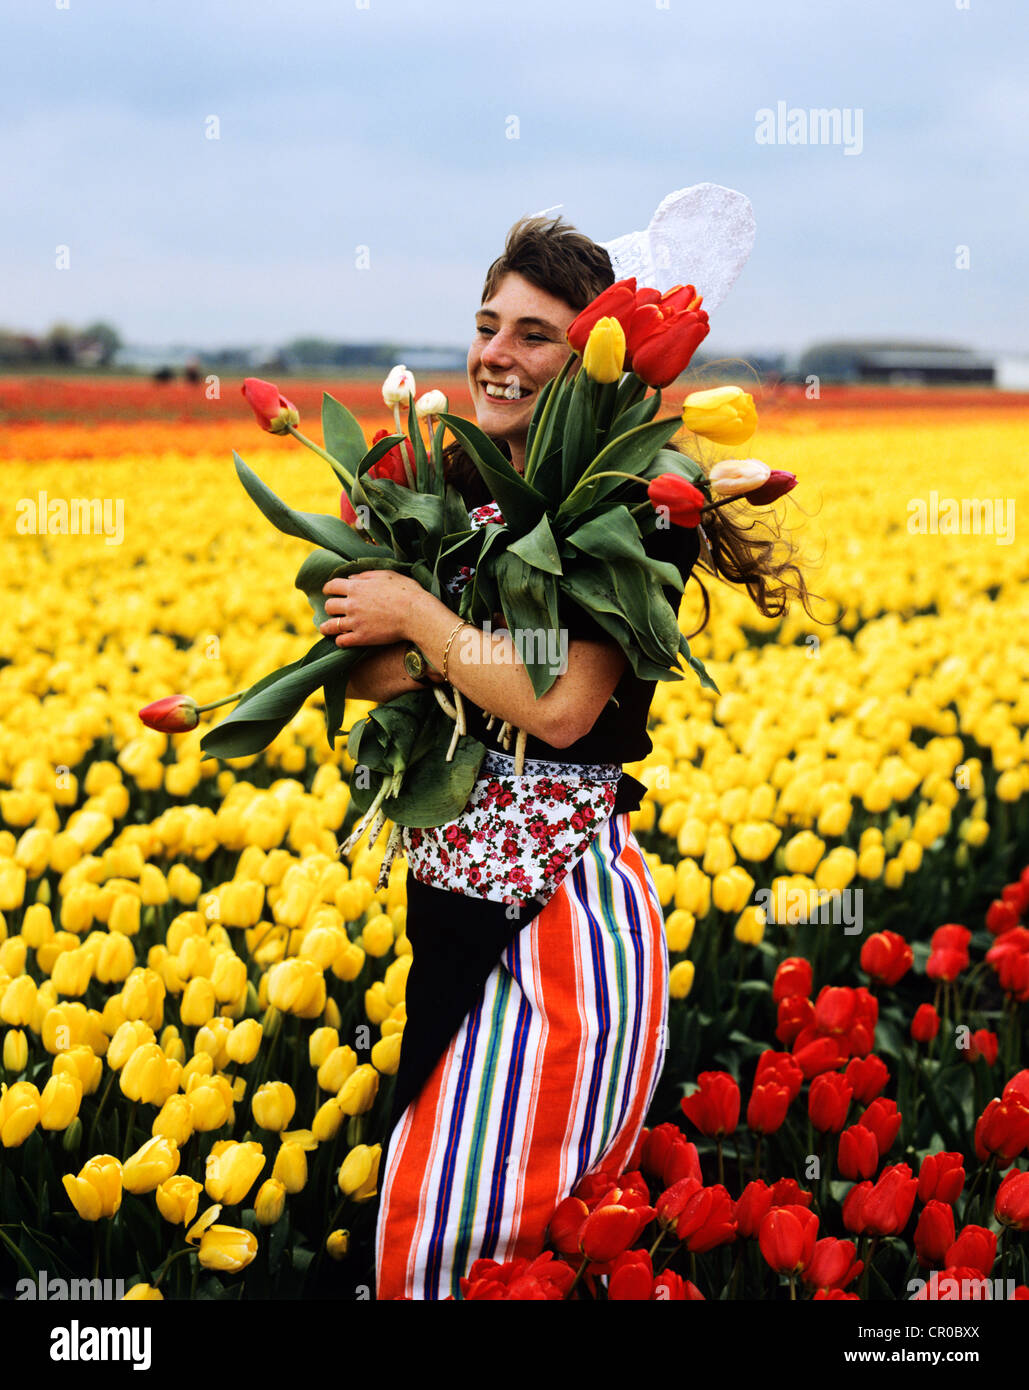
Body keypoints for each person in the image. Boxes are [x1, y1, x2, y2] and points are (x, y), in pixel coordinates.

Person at [319, 215, 817, 1300]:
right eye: (487, 324)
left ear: (598, 355)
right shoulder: (431, 481)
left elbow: (560, 706)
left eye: (536, 335)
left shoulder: (637, 506)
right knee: (426, 1236)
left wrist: (419, 618)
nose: (497, 351)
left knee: (459, 1249)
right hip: (451, 910)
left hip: (561, 931)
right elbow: (348, 670)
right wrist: (448, 649)